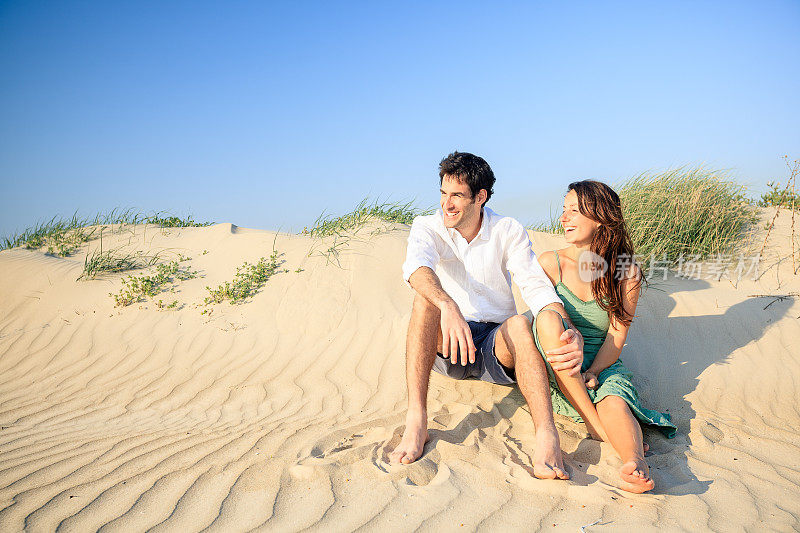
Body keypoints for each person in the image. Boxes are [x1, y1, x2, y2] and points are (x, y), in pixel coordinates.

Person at [389, 151, 584, 480]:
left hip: (497, 347)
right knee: (425, 300)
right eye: (443, 194)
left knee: (521, 323)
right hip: (450, 343)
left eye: (457, 196)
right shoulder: (428, 227)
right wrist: (448, 306)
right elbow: (416, 268)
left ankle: (547, 437)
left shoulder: (507, 230)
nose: (447, 205)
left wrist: (566, 324)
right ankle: (416, 420)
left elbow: (535, 286)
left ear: (481, 197)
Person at [532, 180, 677, 493]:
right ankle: (594, 425)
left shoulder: (626, 272)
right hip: (556, 359)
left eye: (574, 210)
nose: (564, 218)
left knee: (614, 401)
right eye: (564, 209)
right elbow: (540, 323)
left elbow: (616, 335)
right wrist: (577, 364)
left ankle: (634, 461)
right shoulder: (549, 263)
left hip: (601, 359)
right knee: (548, 320)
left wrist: (595, 371)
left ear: (600, 217)